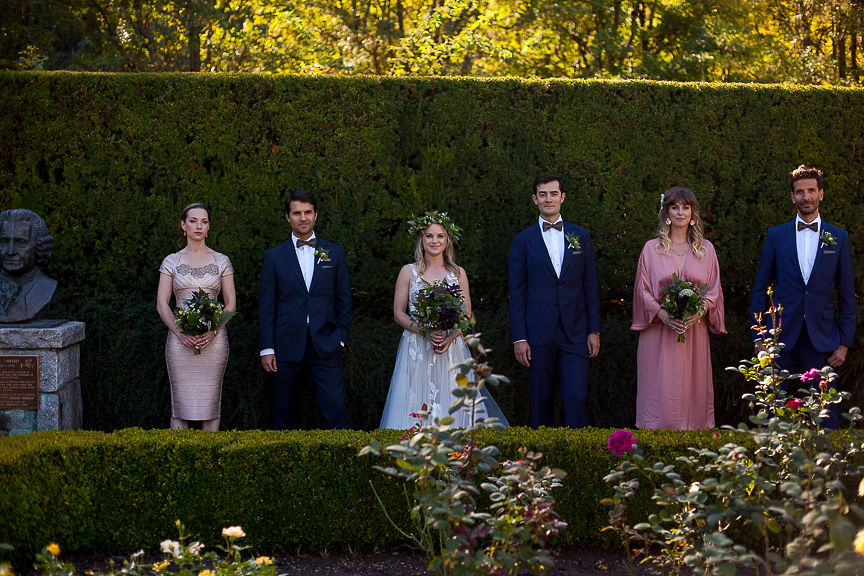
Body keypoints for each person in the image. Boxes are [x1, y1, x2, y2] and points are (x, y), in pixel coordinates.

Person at [750, 165, 856, 429]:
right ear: (792, 197)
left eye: (811, 191)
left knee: (826, 413)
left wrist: (844, 343)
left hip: (822, 339)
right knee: (772, 411)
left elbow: (846, 295)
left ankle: (829, 468)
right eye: (800, 192)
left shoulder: (838, 238)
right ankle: (769, 466)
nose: (805, 196)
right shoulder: (776, 236)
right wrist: (759, 338)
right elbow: (760, 290)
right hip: (780, 337)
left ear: (821, 194)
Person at [379, 212, 508, 429]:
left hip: (451, 350)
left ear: (447, 240)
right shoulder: (408, 272)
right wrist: (423, 330)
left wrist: (450, 336)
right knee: (414, 401)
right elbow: (398, 313)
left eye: (440, 236)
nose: (434, 241)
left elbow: (466, 315)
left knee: (453, 403)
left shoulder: (457, 273)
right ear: (421, 239)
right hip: (417, 348)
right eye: (429, 236)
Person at [508, 173, 601, 428]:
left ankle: (577, 455)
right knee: (541, 399)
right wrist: (519, 337)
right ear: (534, 199)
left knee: (575, 396)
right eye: (542, 194)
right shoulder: (522, 241)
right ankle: (542, 461)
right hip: (538, 333)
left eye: (553, 194)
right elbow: (516, 292)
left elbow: (590, 286)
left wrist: (594, 330)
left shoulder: (581, 236)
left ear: (562, 197)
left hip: (576, 331)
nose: (548, 199)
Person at [631, 187, 726, 430]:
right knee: (659, 389)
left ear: (693, 213)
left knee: (691, 388)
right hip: (658, 333)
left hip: (693, 332)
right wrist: (663, 314)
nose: (680, 212)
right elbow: (642, 290)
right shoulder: (651, 249)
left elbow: (714, 289)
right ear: (667, 212)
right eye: (675, 207)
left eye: (686, 207)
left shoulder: (706, 250)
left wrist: (700, 310)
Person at [259, 189, 352, 430]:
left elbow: (344, 300)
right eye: (297, 213)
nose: (303, 218)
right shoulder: (274, 257)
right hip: (285, 346)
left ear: (316, 215)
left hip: (326, 342)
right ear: (287, 217)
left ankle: (341, 462)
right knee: (283, 413)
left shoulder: (335, 253)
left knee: (336, 410)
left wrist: (341, 338)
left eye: (307, 212)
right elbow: (267, 306)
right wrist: (267, 348)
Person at [156, 203, 236, 431]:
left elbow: (230, 304)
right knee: (179, 408)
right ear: (183, 225)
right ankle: (179, 461)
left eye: (204, 221)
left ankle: (208, 463)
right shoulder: (172, 261)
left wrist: (213, 331)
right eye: (193, 220)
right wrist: (181, 335)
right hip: (179, 343)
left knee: (211, 408)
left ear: (209, 226)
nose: (199, 225)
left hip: (214, 342)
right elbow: (162, 304)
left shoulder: (222, 260)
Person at [0, 209, 57, 323]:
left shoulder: (46, 287)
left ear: (39, 246)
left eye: (21, 242)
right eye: (4, 241)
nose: (10, 251)